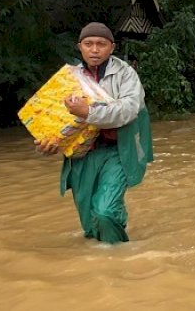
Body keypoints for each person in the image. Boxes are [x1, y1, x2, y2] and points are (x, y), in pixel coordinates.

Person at [35, 22, 153, 244]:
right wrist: (49, 144)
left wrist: (88, 112)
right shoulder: (68, 78)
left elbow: (129, 110)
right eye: (88, 44)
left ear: (112, 47)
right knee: (90, 225)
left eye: (101, 44)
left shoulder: (125, 74)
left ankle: (116, 255)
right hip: (83, 154)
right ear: (80, 47)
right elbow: (53, 121)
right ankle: (108, 251)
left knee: (105, 211)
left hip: (118, 150)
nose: (95, 49)